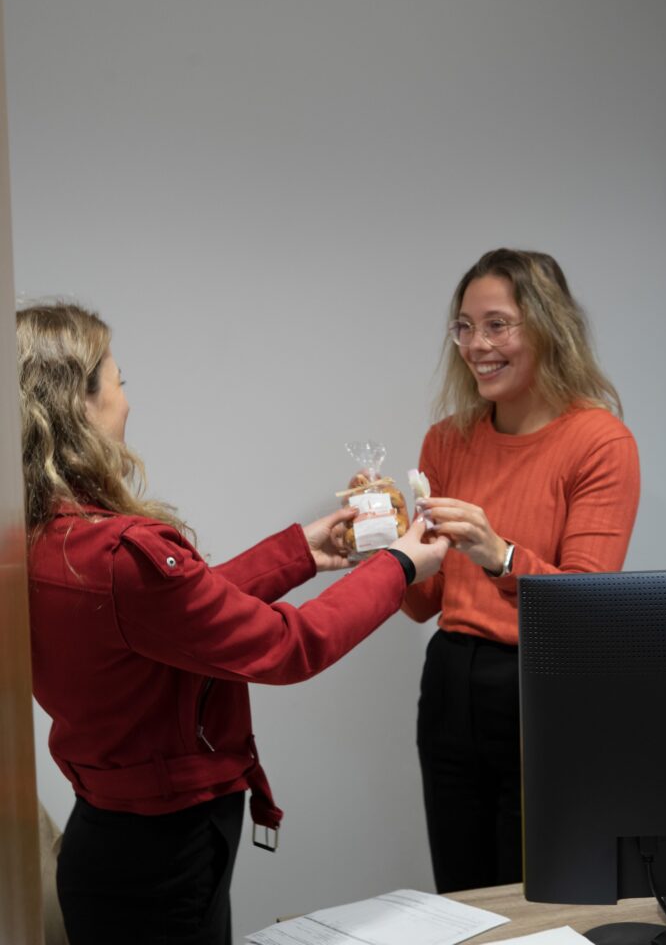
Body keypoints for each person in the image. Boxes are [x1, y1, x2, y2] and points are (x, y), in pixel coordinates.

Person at [17, 302, 449, 945]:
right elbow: (287, 646)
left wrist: (299, 552)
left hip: (109, 838)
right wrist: (399, 565)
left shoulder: (42, 541)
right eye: (118, 383)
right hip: (164, 854)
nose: (127, 402)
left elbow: (176, 617)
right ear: (79, 404)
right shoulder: (122, 555)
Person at [402, 248, 640, 894]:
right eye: (464, 326)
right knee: (462, 892)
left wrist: (500, 555)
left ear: (548, 327)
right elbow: (425, 601)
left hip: (546, 688)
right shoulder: (446, 439)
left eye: (497, 324)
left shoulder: (598, 441)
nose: (476, 345)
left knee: (532, 895)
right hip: (451, 679)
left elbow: (587, 612)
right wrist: (387, 545)